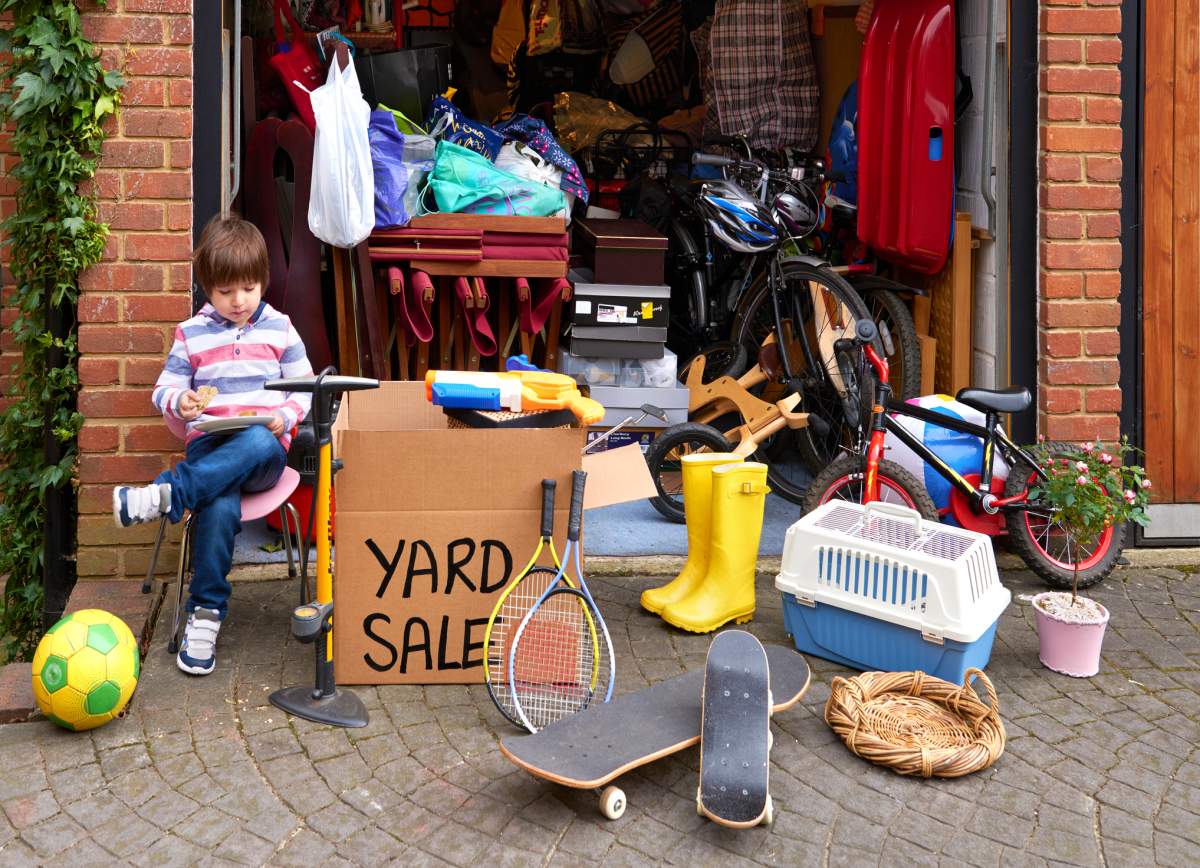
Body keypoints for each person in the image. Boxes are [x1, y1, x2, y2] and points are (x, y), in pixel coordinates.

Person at [112, 216, 313, 675]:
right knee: (219, 507)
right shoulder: (192, 333)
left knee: (260, 440)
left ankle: (168, 493)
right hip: (208, 448)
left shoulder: (281, 329)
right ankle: (204, 616)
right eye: (225, 292)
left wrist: (285, 415)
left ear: (262, 281)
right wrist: (179, 401)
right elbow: (165, 388)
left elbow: (305, 388)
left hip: (263, 452)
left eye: (248, 288)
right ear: (207, 287)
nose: (238, 301)